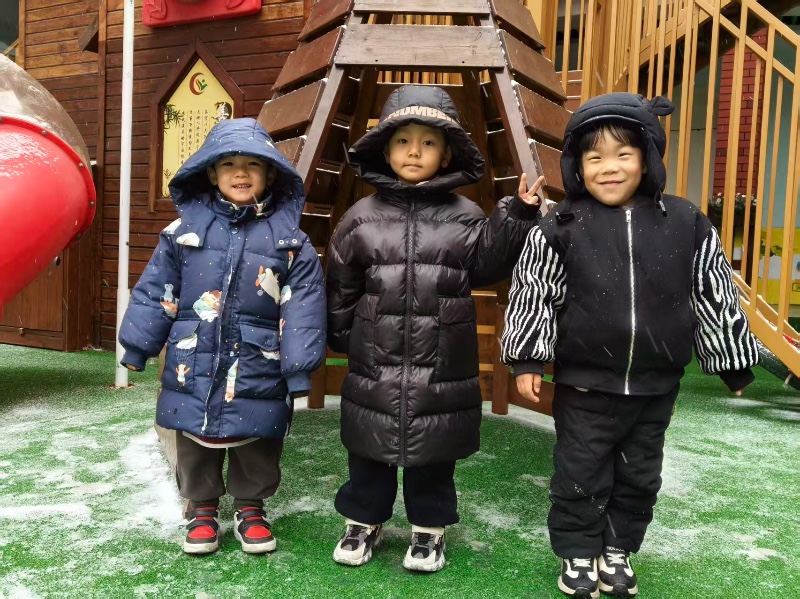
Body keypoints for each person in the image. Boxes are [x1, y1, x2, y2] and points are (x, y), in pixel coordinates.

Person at [501, 93, 759, 598]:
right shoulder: (561, 225)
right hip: (584, 383)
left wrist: (732, 360)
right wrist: (528, 357)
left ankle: (617, 550)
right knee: (580, 471)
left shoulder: (685, 222)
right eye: (595, 157)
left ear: (646, 158)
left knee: (639, 475)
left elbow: (711, 290)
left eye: (623, 154)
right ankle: (578, 552)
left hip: (655, 386)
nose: (610, 167)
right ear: (577, 166)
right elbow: (535, 290)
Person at [326, 85, 544, 572]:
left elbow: (488, 266)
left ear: (446, 154)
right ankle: (363, 520)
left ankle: (429, 528)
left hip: (442, 361)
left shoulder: (466, 216)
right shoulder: (360, 218)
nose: (414, 151)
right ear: (385, 150)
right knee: (368, 447)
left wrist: (517, 215)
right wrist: (342, 337)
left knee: (434, 450)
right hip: (375, 359)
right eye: (403, 141)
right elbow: (341, 285)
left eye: (428, 142)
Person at [118, 118, 326, 555]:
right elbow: (157, 290)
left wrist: (299, 368)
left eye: (253, 164)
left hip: (259, 358)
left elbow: (302, 306)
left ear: (271, 174)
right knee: (194, 433)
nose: (240, 173)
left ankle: (251, 507)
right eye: (228, 164)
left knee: (258, 435)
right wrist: (138, 345)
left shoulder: (291, 242)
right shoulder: (183, 234)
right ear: (211, 173)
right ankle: (202, 508)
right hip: (193, 355)